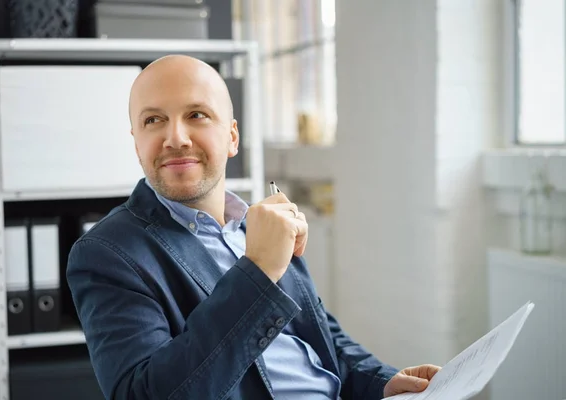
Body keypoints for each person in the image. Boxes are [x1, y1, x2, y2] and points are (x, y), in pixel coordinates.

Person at [66, 54, 441, 400]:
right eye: (153, 120)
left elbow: (319, 335)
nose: (175, 138)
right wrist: (258, 271)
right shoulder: (106, 253)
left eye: (196, 114)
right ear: (137, 144)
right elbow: (146, 394)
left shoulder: (262, 222)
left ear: (231, 137)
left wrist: (382, 381)